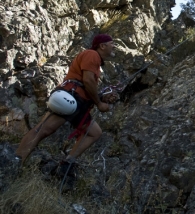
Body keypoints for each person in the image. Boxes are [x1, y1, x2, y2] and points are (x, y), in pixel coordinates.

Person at [15, 34, 119, 174]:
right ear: (102, 46)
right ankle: (16, 162)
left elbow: (85, 86)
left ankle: (66, 164)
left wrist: (101, 97)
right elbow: (87, 81)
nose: (114, 46)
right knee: (43, 130)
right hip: (71, 98)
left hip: (75, 101)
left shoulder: (95, 60)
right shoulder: (92, 54)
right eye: (112, 43)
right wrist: (99, 103)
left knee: (94, 133)